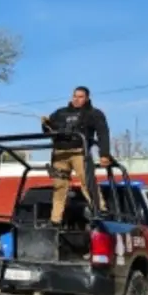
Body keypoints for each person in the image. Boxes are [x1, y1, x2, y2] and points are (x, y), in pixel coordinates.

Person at [41, 86, 112, 225]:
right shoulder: (60, 113)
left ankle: (100, 210)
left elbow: (103, 133)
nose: (76, 99)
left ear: (87, 98)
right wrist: (46, 124)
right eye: (75, 96)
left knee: (87, 182)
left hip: (80, 152)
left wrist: (104, 154)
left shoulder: (94, 113)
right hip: (60, 153)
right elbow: (48, 131)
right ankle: (55, 220)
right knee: (59, 186)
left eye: (80, 97)